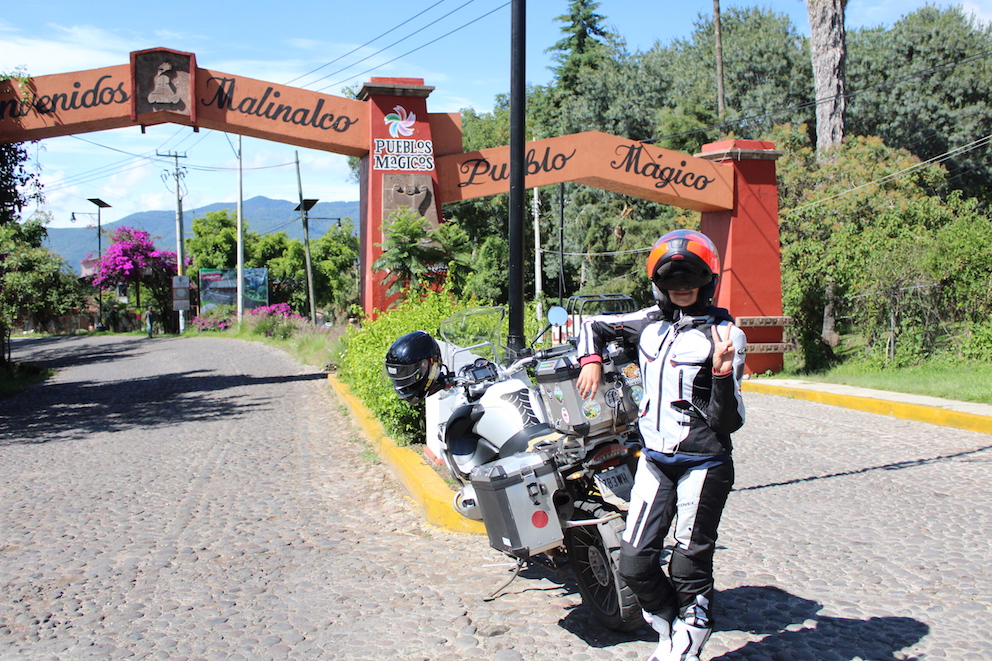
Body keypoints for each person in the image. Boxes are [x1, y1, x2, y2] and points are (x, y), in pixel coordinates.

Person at [575, 229, 746, 661]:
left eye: (691, 278)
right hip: (654, 460)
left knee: (688, 564)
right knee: (633, 562)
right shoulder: (648, 323)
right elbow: (592, 326)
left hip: (703, 464)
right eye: (673, 280)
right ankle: (670, 624)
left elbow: (731, 421)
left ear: (708, 281)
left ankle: (691, 637)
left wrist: (723, 373)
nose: (682, 287)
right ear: (659, 284)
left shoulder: (724, 334)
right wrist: (592, 362)